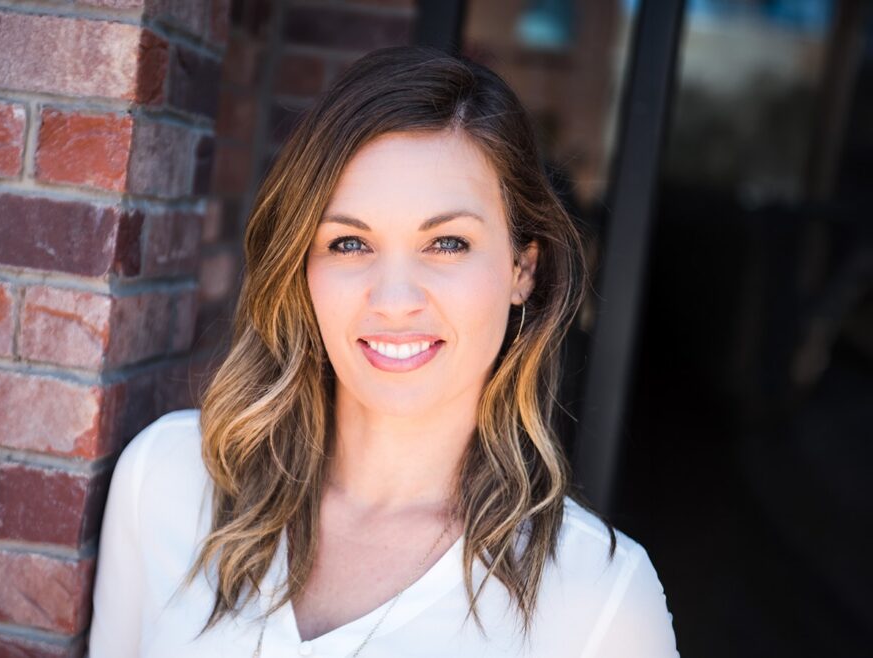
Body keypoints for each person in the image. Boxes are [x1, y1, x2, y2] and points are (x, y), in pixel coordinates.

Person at [87, 45, 679, 657]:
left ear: (521, 270)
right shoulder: (166, 479)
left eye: (447, 243)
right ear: (300, 267)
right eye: (348, 244)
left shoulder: (597, 600)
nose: (395, 299)